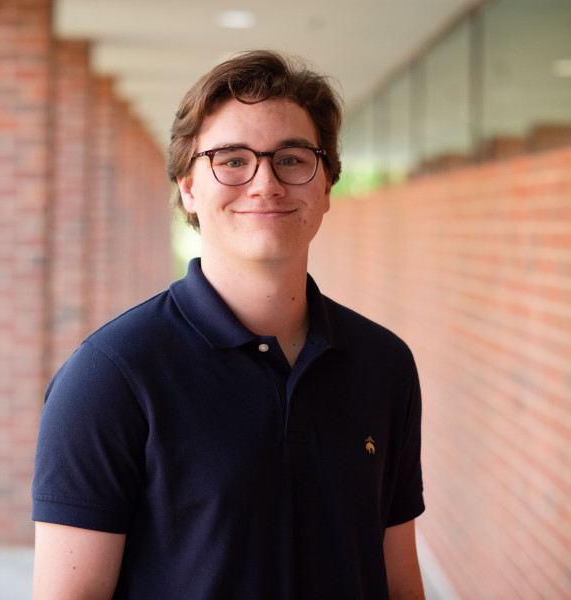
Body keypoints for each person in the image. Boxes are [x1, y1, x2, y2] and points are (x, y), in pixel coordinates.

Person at [32, 50, 425, 599]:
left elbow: (399, 579)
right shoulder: (110, 377)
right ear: (189, 187)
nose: (265, 182)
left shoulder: (385, 365)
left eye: (292, 158)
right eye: (232, 159)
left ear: (327, 185)